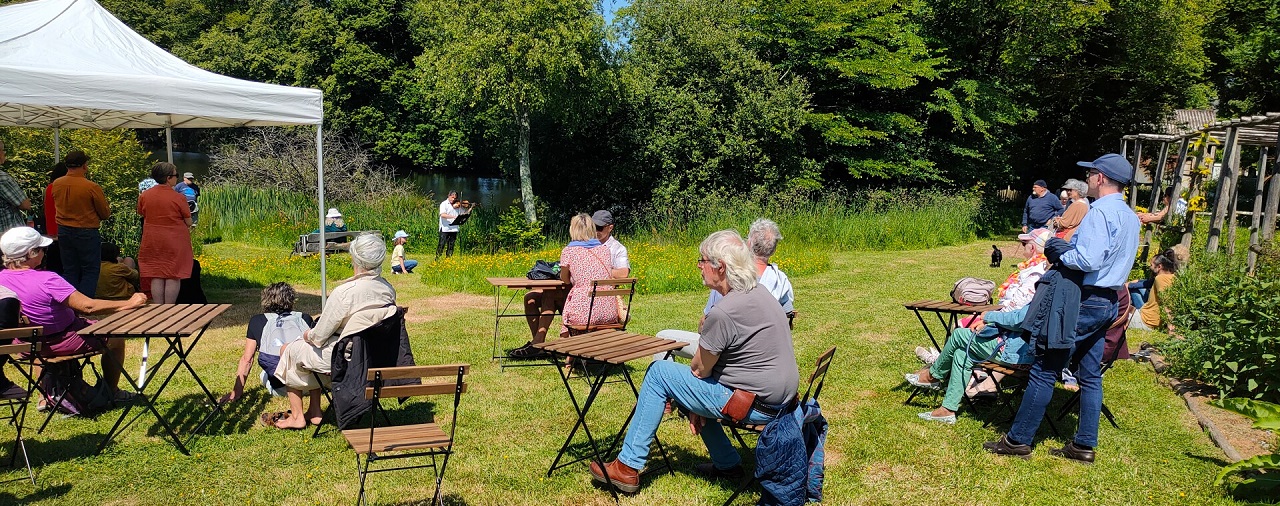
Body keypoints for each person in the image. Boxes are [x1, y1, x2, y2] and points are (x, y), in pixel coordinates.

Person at [589, 230, 799, 493]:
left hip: (754, 404)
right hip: (781, 401)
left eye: (702, 261)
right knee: (686, 387)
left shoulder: (725, 311)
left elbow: (699, 369)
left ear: (719, 267)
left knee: (659, 374)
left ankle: (627, 467)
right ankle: (727, 463)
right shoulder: (760, 292)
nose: (699, 267)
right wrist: (694, 398)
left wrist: (692, 397)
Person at [984, 153, 1140, 464]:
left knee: (1044, 368)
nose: (1088, 180)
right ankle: (1083, 445)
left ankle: (1018, 440)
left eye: (1091, 174)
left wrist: (1059, 252)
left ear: (1100, 178)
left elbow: (1088, 260)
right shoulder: (1130, 215)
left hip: (1084, 298)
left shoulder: (1099, 213)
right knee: (1091, 374)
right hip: (1108, 300)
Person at [0, 227, 148, 400]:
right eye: (42, 249)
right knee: (115, 339)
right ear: (32, 253)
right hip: (61, 340)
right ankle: (112, 391)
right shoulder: (47, 279)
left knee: (39, 334)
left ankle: (45, 396)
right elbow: (88, 307)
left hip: (26, 345)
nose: (45, 252)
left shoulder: (2, 278)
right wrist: (129, 303)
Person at [272, 234, 397, 430]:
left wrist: (306, 335)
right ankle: (314, 411)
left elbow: (318, 337)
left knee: (288, 350)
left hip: (343, 357)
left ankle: (297, 416)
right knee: (302, 352)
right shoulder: (387, 289)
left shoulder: (344, 293)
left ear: (354, 258)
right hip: (373, 356)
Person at [655, 218, 795, 361]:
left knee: (662, 338)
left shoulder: (730, 279)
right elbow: (787, 317)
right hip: (768, 352)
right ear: (774, 248)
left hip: (728, 351)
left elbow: (706, 325)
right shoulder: (780, 280)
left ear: (748, 244)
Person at [509, 214, 618, 359]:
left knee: (549, 295)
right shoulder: (604, 250)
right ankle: (539, 343)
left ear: (573, 230)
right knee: (551, 296)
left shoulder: (569, 251)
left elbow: (565, 279)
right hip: (609, 311)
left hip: (585, 313)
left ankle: (538, 344)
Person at [221, 282, 315, 405]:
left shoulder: (257, 321)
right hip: (311, 384)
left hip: (282, 389)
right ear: (291, 299)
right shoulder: (305, 318)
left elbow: (247, 360)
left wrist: (236, 393)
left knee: (263, 374)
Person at [50, 150, 110, 297]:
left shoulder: (56, 184)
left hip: (63, 230)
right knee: (90, 270)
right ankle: (85, 304)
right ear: (84, 166)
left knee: (70, 269)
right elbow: (105, 213)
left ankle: (70, 304)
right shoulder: (91, 186)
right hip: (86, 230)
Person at [137, 162, 194, 304]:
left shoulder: (145, 195)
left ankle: (158, 307)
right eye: (176, 175)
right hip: (174, 240)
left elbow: (141, 213)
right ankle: (169, 308)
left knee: (156, 274)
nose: (177, 178)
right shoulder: (178, 198)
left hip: (152, 239)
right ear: (168, 178)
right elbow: (188, 221)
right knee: (173, 275)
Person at [1128, 249, 1179, 332]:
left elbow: (1167, 302)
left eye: (1151, 265)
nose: (1149, 266)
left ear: (1159, 267)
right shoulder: (1174, 276)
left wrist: (1170, 327)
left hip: (1147, 321)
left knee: (1115, 315)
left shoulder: (1161, 278)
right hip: (1147, 315)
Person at [0, 140, 32, 232]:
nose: (4, 153)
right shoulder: (2, 178)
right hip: (7, 232)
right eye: (3, 151)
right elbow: (25, 205)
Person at [592, 210, 630, 277]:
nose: (596, 231)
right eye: (592, 227)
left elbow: (623, 273)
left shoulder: (618, 248)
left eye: (599, 228)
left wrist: (596, 271)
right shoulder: (584, 244)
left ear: (610, 228)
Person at [437, 190, 460, 258]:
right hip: (445, 228)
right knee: (441, 244)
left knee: (451, 245)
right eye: (452, 197)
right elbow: (443, 215)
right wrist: (453, 217)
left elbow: (464, 209)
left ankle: (448, 259)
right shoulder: (444, 204)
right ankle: (438, 259)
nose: (453, 199)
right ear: (448, 196)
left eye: (455, 198)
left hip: (454, 228)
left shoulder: (457, 205)